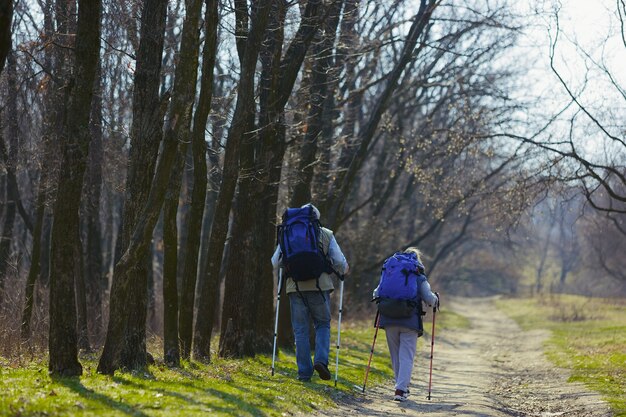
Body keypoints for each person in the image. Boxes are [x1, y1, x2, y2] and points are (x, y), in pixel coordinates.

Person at [271, 203, 349, 382]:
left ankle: (304, 373)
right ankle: (321, 360)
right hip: (319, 287)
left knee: (300, 330)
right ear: (316, 218)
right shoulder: (325, 234)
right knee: (322, 324)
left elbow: (275, 262)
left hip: (295, 287)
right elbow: (340, 263)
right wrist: (344, 269)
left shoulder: (287, 233)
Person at [372, 247, 439, 401]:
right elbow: (429, 299)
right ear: (417, 261)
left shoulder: (389, 272)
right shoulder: (419, 276)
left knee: (396, 356)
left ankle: (400, 387)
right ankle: (401, 389)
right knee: (406, 356)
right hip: (409, 321)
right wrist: (436, 299)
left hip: (389, 320)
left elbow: (376, 293)